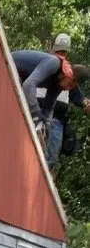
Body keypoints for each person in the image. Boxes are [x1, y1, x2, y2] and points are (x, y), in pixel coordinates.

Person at [12, 46, 90, 146]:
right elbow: (28, 85)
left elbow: (48, 108)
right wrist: (36, 113)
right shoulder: (54, 63)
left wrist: (46, 126)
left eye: (71, 88)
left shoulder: (58, 85)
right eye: (70, 85)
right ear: (69, 75)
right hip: (7, 64)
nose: (67, 89)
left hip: (16, 78)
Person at [38, 34, 90, 173]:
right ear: (53, 48)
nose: (61, 54)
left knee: (51, 157)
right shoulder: (43, 60)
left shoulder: (67, 71)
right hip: (36, 111)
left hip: (56, 120)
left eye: (64, 52)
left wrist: (84, 102)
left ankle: (45, 179)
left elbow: (76, 94)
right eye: (58, 51)